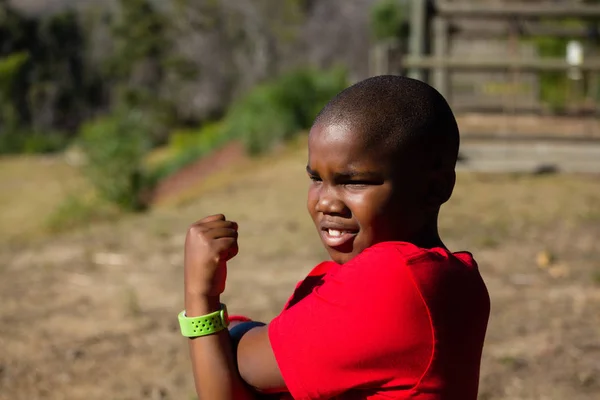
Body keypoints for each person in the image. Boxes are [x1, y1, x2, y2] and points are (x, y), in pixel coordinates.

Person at [180, 75, 490, 400]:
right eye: (316, 178)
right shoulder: (452, 277)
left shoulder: (394, 281)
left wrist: (201, 296)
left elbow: (238, 372)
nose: (325, 202)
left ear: (434, 188)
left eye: (354, 181)